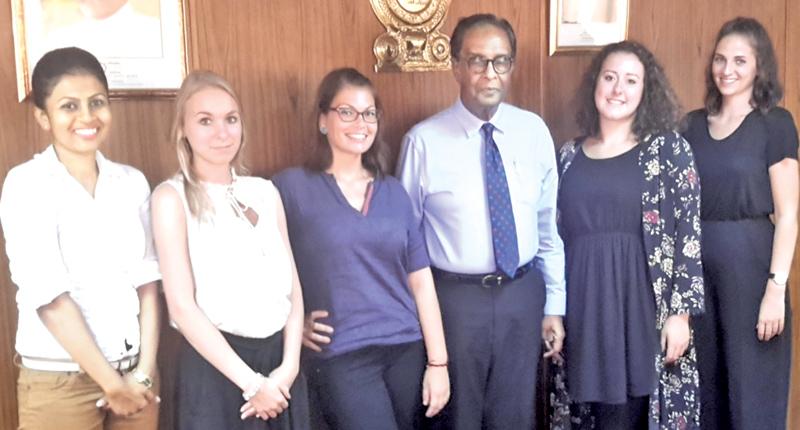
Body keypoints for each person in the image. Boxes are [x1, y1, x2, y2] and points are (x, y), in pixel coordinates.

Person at [396, 14, 566, 429]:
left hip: (522, 296)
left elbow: (548, 228)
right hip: (455, 302)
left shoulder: (534, 132)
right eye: (476, 61)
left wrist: (554, 306)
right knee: (458, 418)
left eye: (500, 61)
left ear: (511, 66)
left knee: (515, 417)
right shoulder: (423, 142)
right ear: (456, 66)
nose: (489, 73)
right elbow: (405, 241)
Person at [273, 67, 450, 430]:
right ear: (323, 119)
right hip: (342, 355)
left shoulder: (394, 193)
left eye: (369, 113)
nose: (360, 122)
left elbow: (421, 283)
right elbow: (259, 265)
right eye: (347, 112)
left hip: (406, 349)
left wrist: (439, 364)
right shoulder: (290, 189)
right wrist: (290, 323)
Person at [0, 47, 160, 429]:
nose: (87, 117)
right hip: (60, 381)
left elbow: (148, 283)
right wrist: (112, 385)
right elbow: (49, 298)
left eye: (97, 103)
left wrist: (144, 373)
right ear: (43, 116)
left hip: (135, 375)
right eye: (69, 106)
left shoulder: (131, 182)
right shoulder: (27, 184)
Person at [550, 40, 705, 429]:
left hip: (641, 308)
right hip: (584, 306)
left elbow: (689, 232)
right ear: (595, 84)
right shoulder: (568, 155)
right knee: (591, 416)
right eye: (610, 77)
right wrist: (552, 308)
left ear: (645, 91)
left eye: (631, 81)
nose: (618, 89)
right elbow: (551, 235)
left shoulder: (668, 151)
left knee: (633, 415)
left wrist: (680, 314)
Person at [150, 71, 310, 430]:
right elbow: (181, 307)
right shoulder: (170, 197)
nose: (222, 132)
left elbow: (293, 290)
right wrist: (253, 385)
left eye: (230, 119)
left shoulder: (265, 192)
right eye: (205, 121)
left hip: (280, 370)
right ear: (182, 130)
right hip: (219, 371)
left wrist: (289, 368)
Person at [682, 17, 797, 430]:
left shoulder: (775, 123)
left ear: (758, 66)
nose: (726, 69)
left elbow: (787, 216)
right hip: (699, 275)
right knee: (707, 395)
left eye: (739, 60)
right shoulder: (691, 126)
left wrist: (775, 288)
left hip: (753, 276)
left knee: (752, 399)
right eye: (720, 59)